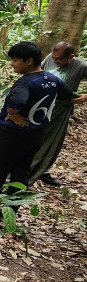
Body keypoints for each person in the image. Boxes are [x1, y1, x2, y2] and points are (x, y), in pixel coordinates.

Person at [0, 41, 86, 204]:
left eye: (15, 60)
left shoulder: (25, 83)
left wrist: (12, 114)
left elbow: (17, 101)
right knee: (22, 171)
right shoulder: (53, 79)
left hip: (11, 134)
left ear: (29, 61)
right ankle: (12, 207)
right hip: (36, 134)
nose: (12, 64)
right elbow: (68, 95)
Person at [29, 42, 87, 186]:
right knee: (32, 137)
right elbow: (38, 71)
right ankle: (25, 168)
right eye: (54, 58)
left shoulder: (81, 66)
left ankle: (42, 170)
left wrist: (86, 96)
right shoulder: (50, 57)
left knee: (50, 140)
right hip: (41, 104)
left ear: (71, 57)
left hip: (60, 109)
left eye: (59, 59)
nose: (55, 61)